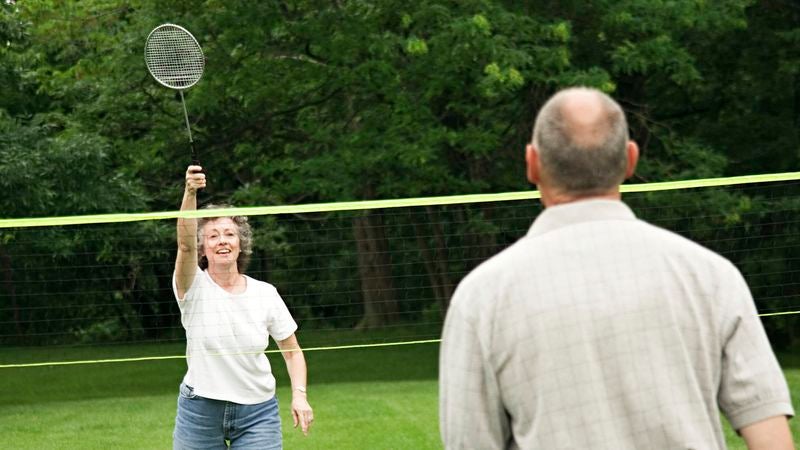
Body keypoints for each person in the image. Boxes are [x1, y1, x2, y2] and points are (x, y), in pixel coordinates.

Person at [439, 87, 794, 449]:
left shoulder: (482, 297)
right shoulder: (710, 276)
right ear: (630, 159)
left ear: (532, 163)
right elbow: (770, 436)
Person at [172, 165, 313, 449]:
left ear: (240, 243)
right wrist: (190, 192)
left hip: (258, 413)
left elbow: (292, 351)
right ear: (203, 248)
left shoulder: (265, 293)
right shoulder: (191, 286)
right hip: (200, 411)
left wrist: (299, 394)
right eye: (213, 236)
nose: (222, 240)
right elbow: (184, 246)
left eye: (229, 234)